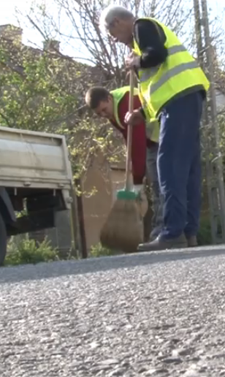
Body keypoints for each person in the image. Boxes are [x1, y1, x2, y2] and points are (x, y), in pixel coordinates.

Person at [99, 5, 210, 250]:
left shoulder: (142, 26)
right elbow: (157, 86)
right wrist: (141, 113)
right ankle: (188, 232)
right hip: (185, 97)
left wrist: (138, 61)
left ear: (117, 22)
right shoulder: (143, 36)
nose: (115, 41)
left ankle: (172, 233)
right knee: (188, 167)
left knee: (168, 165)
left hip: (179, 99)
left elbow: (156, 54)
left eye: (112, 34)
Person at [85, 86, 163, 241]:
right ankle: (161, 229)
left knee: (160, 185)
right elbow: (129, 139)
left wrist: (138, 181)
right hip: (153, 141)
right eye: (99, 113)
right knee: (158, 186)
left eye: (104, 109)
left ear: (109, 98)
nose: (103, 115)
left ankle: (165, 230)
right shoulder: (113, 112)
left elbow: (138, 143)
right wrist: (133, 169)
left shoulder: (127, 104)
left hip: (163, 135)